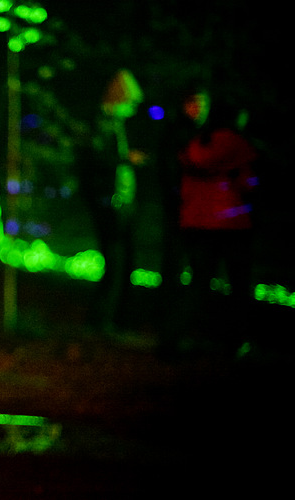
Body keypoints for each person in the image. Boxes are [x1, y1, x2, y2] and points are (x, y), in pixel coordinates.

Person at [162, 87, 258, 355]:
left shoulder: (196, 142)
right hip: (232, 224)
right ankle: (235, 341)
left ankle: (170, 338)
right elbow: (248, 183)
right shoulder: (238, 145)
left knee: (199, 283)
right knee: (238, 286)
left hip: (197, 222)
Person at [80, 69, 146, 335]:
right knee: (116, 263)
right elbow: (96, 161)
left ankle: (113, 318)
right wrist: (125, 160)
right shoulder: (103, 124)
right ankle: (103, 320)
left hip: (118, 201)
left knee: (122, 262)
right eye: (130, 102)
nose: (133, 108)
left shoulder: (113, 125)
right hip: (111, 202)